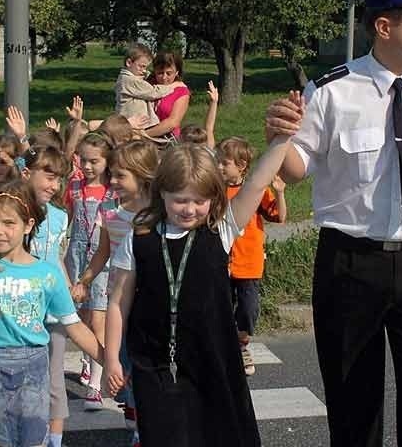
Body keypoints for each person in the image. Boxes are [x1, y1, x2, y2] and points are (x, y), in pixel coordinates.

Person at [266, 0, 402, 447]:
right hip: (350, 263)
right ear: (384, 27)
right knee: (353, 399)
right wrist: (278, 138)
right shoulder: (333, 91)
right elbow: (297, 167)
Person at [104, 101, 301, 447]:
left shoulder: (220, 232)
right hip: (154, 360)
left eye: (200, 200)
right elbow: (118, 300)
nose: (190, 209)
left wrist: (281, 141)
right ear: (161, 192)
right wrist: (110, 359)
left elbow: (256, 184)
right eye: (180, 200)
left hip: (213, 356)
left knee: (216, 434)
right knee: (164, 435)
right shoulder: (141, 239)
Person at [0, 117, 103, 447]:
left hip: (33, 366)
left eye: (8, 223)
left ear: (28, 225)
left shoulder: (46, 274)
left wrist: (110, 362)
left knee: (33, 440)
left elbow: (75, 326)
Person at [72, 139, 159, 447]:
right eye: (113, 174)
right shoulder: (110, 210)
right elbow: (102, 253)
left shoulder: (157, 214)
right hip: (120, 303)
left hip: (151, 304)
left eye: (121, 175)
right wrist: (84, 279)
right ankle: (134, 420)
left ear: (143, 174)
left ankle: (146, 421)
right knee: (124, 365)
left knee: (146, 366)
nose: (113, 181)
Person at [216, 136, 287, 375]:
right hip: (221, 262)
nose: (219, 167)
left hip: (249, 262)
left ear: (241, 165)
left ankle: (242, 343)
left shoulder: (255, 190)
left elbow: (279, 217)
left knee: (248, 309)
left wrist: (279, 193)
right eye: (218, 161)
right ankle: (225, 350)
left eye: (224, 163)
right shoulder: (215, 190)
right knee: (221, 307)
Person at [20, 145, 70, 447]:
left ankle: (55, 438)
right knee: (25, 379)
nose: (54, 186)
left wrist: (69, 288)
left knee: (54, 378)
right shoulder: (13, 212)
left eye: (58, 179)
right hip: (23, 311)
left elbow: (56, 257)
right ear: (26, 174)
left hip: (54, 309)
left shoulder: (60, 216)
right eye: (48, 177)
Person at [65, 131, 115, 410]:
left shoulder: (113, 189)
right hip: (76, 255)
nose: (87, 166)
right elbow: (67, 217)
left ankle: (97, 383)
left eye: (94, 161)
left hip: (103, 260)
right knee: (81, 316)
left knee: (98, 319)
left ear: (107, 161)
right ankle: (88, 360)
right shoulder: (74, 184)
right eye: (83, 160)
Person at [115, 43, 184, 128]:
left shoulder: (129, 77)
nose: (143, 70)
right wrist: (171, 86)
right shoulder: (130, 80)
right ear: (129, 63)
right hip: (133, 123)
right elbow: (153, 92)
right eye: (141, 66)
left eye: (145, 68)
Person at [145, 50, 190, 140]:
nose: (164, 77)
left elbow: (172, 122)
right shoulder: (148, 84)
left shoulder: (181, 91)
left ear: (177, 72)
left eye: (169, 73)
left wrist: (144, 134)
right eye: (160, 73)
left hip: (166, 139)